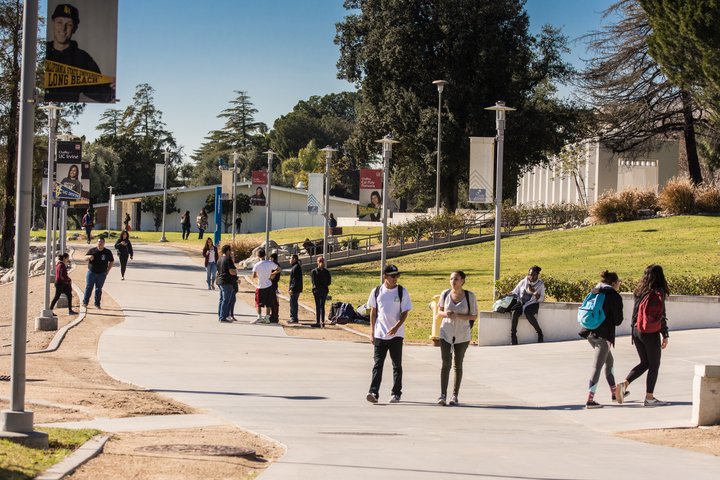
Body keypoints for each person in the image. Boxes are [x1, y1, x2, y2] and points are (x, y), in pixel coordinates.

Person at [616, 264, 671, 407]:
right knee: (654, 364)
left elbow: (635, 313)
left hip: (636, 330)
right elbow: (661, 315)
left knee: (645, 363)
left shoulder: (640, 290)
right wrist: (665, 334)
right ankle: (649, 397)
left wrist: (634, 331)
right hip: (650, 333)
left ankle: (624, 384)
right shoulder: (658, 292)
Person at [45, 3, 114, 103]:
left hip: (67, 111)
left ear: (75, 28)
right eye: (59, 22)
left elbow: (102, 94)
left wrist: (113, 87)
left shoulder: (83, 59)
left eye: (69, 24)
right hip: (42, 109)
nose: (63, 29)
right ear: (53, 23)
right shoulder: (42, 52)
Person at [366, 264, 412, 404]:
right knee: (378, 364)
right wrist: (372, 331)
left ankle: (396, 393)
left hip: (396, 335)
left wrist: (396, 327)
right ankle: (373, 392)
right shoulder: (377, 291)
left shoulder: (402, 292)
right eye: (392, 276)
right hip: (380, 334)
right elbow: (373, 312)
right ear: (385, 276)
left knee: (397, 365)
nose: (395, 278)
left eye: (397, 275)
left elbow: (405, 313)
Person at [579, 270, 624, 409]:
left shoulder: (595, 291)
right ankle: (590, 400)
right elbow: (618, 320)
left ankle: (614, 394)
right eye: (618, 282)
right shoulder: (614, 296)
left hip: (589, 333)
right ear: (614, 283)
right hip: (603, 337)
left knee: (609, 361)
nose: (619, 285)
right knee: (597, 367)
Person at [436, 271, 478, 406]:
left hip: (462, 334)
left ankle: (455, 395)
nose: (453, 281)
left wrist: (459, 315)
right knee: (445, 363)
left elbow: (474, 316)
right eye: (451, 279)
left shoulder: (469, 296)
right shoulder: (445, 294)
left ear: (463, 281)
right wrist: (446, 313)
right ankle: (442, 395)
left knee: (458, 364)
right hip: (446, 333)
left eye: (456, 279)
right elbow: (439, 312)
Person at [509, 266, 545, 344]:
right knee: (515, 312)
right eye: (530, 274)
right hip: (521, 302)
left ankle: (539, 333)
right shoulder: (524, 281)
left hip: (533, 303)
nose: (531, 277)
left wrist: (535, 292)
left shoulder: (540, 284)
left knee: (528, 313)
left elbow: (542, 299)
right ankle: (513, 336)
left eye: (534, 275)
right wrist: (506, 295)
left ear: (537, 275)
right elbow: (515, 291)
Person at [82, 237, 114, 309]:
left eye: (102, 242)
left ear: (104, 243)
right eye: (99, 242)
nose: (100, 243)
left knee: (98, 289)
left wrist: (108, 270)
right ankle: (85, 302)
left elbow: (111, 261)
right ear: (97, 243)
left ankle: (97, 304)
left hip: (102, 273)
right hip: (91, 272)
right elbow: (84, 258)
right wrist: (89, 257)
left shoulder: (107, 252)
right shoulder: (92, 250)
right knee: (89, 287)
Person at [251, 249, 281, 324]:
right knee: (268, 302)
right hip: (269, 285)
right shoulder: (270, 263)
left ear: (258, 256)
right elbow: (279, 269)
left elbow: (253, 276)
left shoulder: (256, 265)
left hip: (260, 285)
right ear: (265, 255)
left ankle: (259, 317)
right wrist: (272, 274)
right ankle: (267, 317)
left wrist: (259, 275)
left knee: (258, 303)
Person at [215, 244, 236, 322]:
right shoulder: (228, 259)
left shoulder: (219, 259)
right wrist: (235, 272)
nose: (230, 252)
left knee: (221, 299)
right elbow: (231, 271)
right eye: (230, 250)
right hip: (226, 281)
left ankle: (220, 315)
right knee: (226, 300)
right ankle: (223, 317)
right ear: (227, 251)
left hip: (219, 280)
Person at [310, 256, 331, 328]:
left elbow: (314, 282)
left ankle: (319, 321)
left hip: (319, 290)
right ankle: (321, 321)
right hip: (322, 290)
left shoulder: (315, 272)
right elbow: (328, 282)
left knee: (319, 306)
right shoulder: (326, 272)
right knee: (321, 306)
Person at [288, 254, 303, 324]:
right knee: (293, 302)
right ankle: (293, 317)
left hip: (295, 289)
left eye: (290, 258)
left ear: (294, 259)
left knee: (293, 303)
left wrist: (291, 288)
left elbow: (295, 280)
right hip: (296, 288)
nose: (289, 260)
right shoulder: (295, 267)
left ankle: (294, 318)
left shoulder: (296, 267)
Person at [269, 252, 281, 323]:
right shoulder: (277, 265)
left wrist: (270, 276)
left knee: (273, 301)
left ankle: (274, 316)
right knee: (274, 301)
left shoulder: (274, 265)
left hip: (272, 284)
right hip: (275, 284)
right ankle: (274, 315)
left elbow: (273, 275)